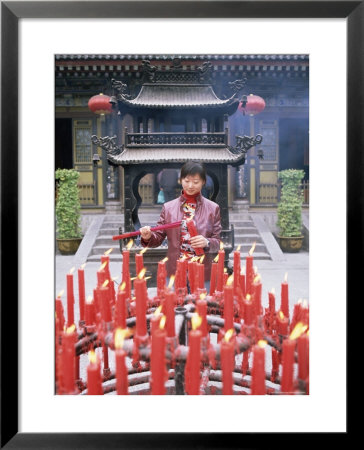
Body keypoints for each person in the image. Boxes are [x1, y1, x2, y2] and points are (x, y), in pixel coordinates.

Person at [140, 162, 222, 290]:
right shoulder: (168, 208)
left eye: (195, 182)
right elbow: (159, 237)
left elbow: (218, 241)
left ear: (203, 182)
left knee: (201, 308)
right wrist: (148, 237)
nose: (190, 186)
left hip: (202, 270)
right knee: (174, 307)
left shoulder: (213, 208)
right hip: (175, 269)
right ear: (180, 180)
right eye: (187, 180)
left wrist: (207, 242)